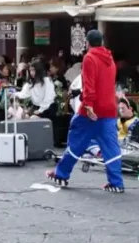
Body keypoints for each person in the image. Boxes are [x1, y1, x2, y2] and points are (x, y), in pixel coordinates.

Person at [46, 30, 125, 193]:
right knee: (111, 146)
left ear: (87, 42)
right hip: (109, 108)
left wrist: (87, 104)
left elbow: (90, 84)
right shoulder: (109, 58)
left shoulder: (89, 57)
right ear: (101, 42)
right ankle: (116, 182)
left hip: (92, 108)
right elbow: (104, 84)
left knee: (76, 140)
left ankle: (61, 174)